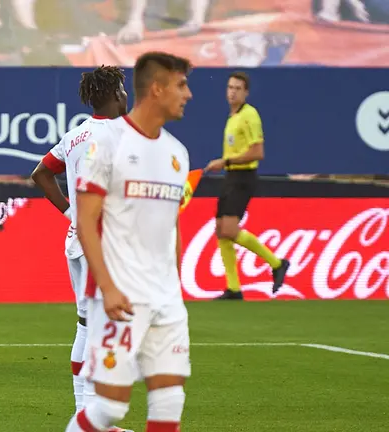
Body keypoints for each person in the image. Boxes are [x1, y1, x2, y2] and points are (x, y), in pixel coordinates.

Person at [66, 51, 193, 432]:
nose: (188, 95)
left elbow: (171, 226)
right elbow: (86, 222)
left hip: (164, 295)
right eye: (181, 85)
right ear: (156, 89)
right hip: (118, 294)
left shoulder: (177, 154)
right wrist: (106, 288)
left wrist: (175, 284)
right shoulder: (106, 144)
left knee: (170, 401)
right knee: (107, 409)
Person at [31, 66, 129, 420]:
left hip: (77, 240)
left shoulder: (75, 136)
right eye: (122, 88)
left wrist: (70, 215)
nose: (126, 95)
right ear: (114, 94)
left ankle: (86, 416)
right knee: (105, 330)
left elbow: (40, 173)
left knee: (87, 325)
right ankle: (93, 422)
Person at [204, 72, 289, 301]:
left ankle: (277, 263)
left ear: (246, 92)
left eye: (238, 88)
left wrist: (226, 161)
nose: (232, 92)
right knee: (221, 230)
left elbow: (257, 152)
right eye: (230, 87)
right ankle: (233, 288)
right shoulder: (233, 117)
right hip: (231, 176)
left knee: (229, 230)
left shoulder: (250, 115)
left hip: (243, 177)